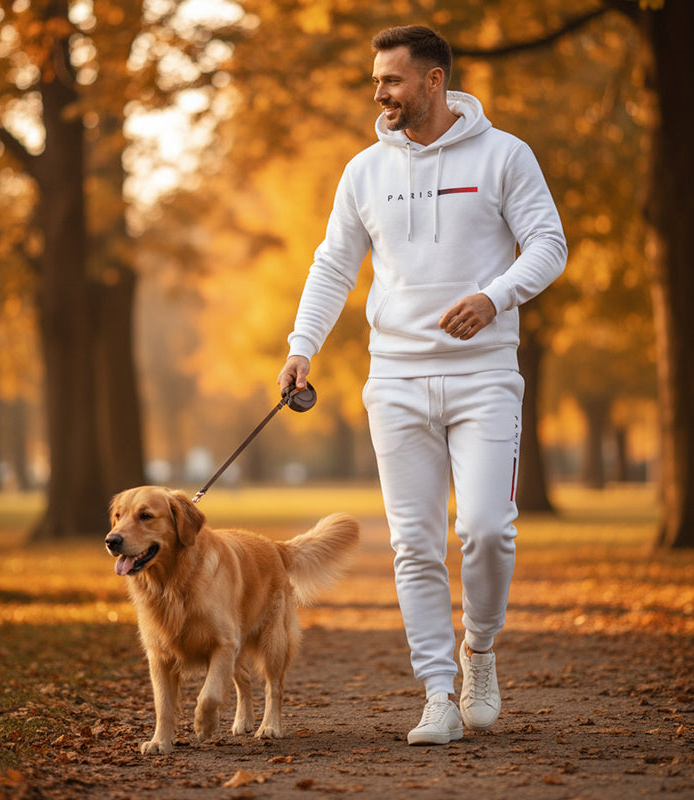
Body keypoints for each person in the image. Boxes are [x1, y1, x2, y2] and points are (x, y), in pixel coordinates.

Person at [277, 25, 566, 745]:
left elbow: (549, 244)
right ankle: (438, 691)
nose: (381, 94)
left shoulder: (505, 156)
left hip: (485, 375)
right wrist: (301, 347)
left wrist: (494, 297)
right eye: (378, 81)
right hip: (397, 378)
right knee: (414, 544)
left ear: (434, 82)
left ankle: (482, 652)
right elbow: (332, 266)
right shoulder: (364, 171)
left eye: (394, 81)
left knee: (488, 531)